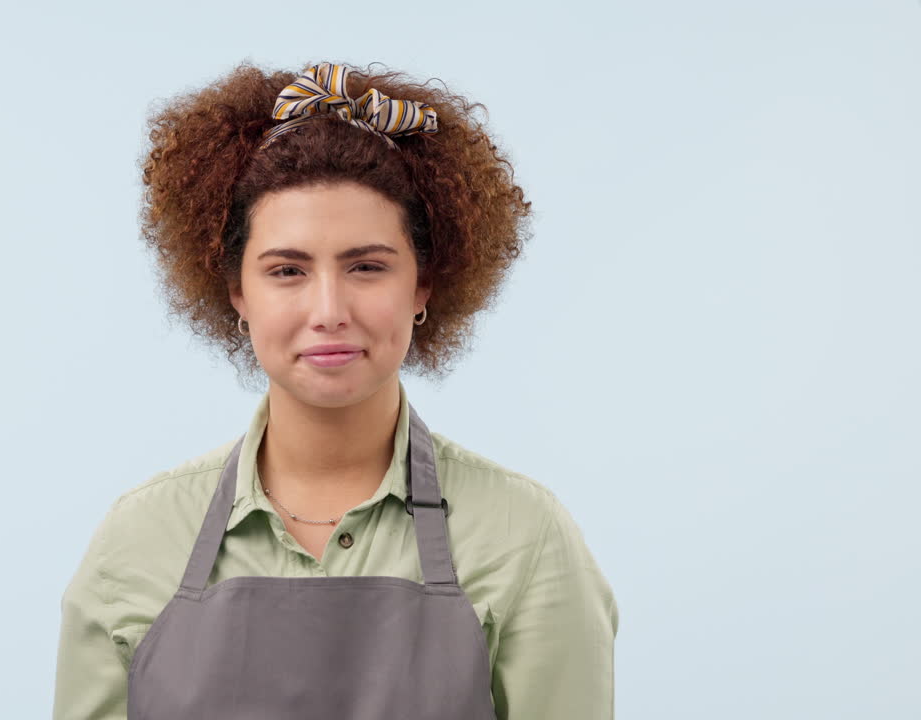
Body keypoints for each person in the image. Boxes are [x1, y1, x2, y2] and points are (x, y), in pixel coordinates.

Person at [52, 60, 619, 719]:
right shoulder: (138, 541)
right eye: (287, 270)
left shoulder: (523, 539)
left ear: (423, 285)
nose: (328, 309)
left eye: (367, 267)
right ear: (238, 291)